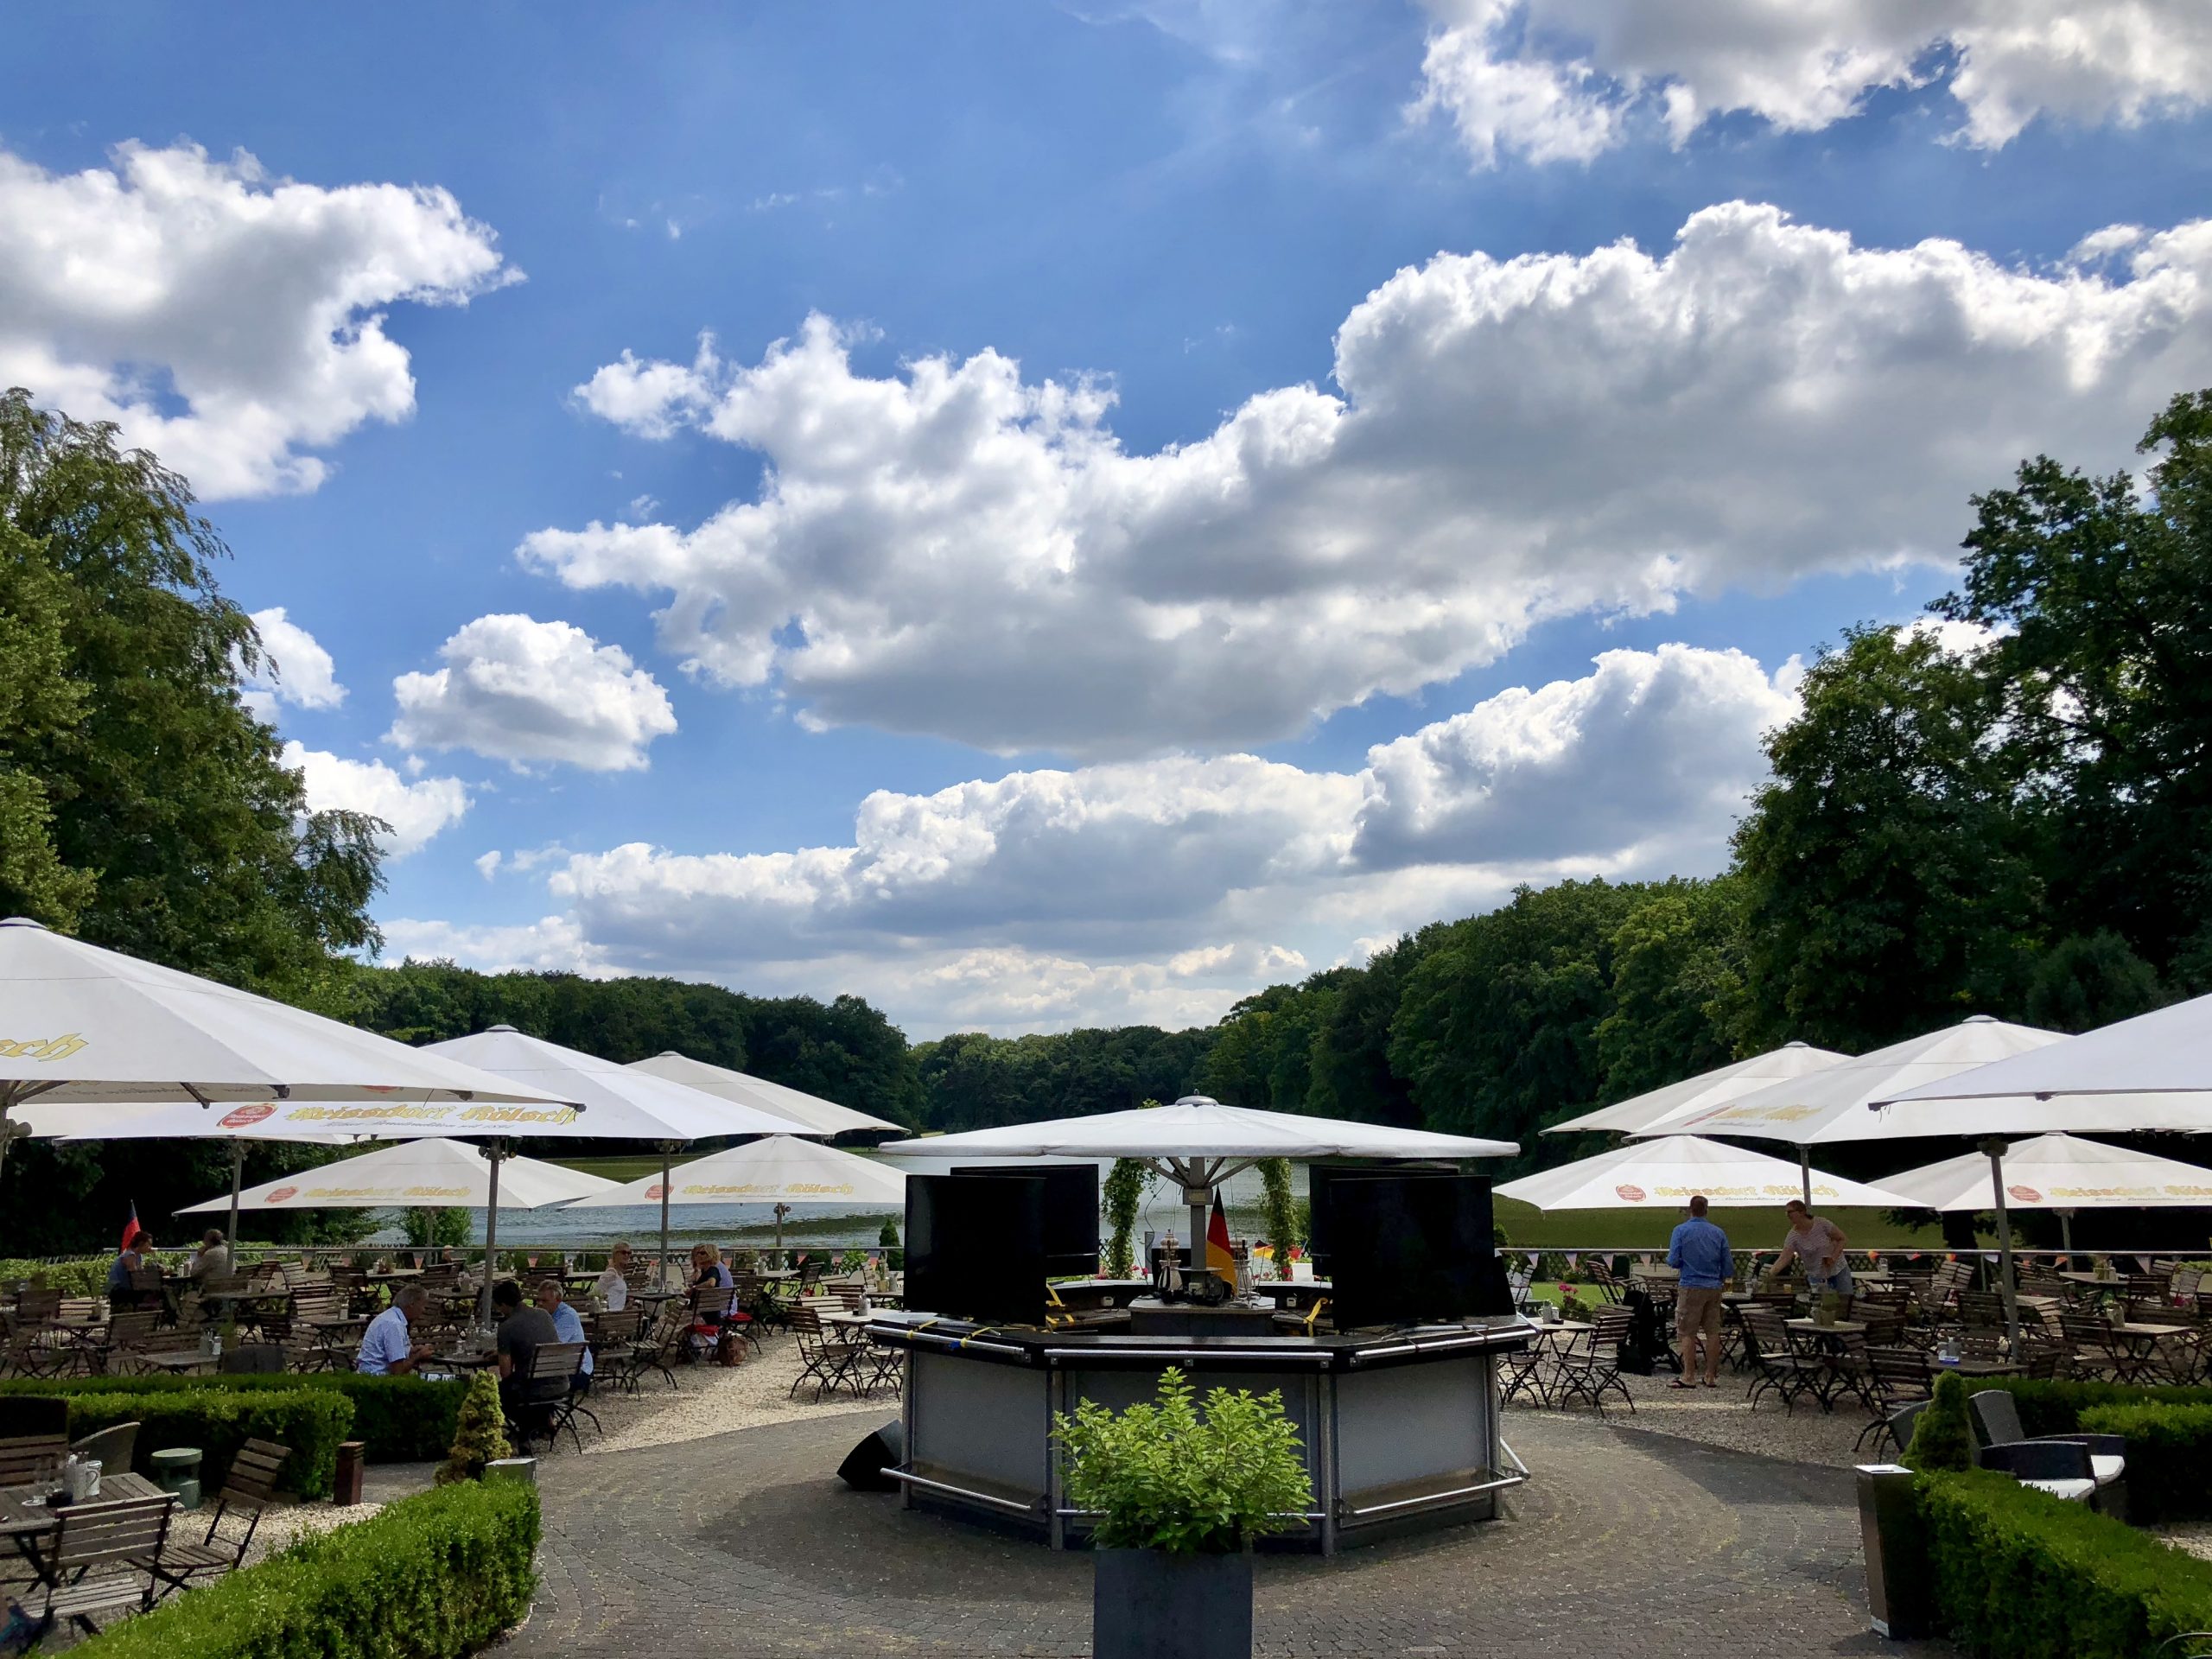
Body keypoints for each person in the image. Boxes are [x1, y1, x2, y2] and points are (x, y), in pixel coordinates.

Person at [1665, 1195, 1733, 1389]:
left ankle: (1689, 1375)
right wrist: (1722, 1276)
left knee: (1687, 1331)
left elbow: (1673, 1260)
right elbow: (1727, 1263)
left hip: (1691, 1285)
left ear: (1690, 1209)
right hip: (1713, 1286)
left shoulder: (1681, 1231)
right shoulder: (1718, 1233)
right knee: (1713, 1332)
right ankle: (1710, 1375)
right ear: (1707, 1210)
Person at [493, 1280, 566, 1429]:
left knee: (495, 1393)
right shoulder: (544, 1315)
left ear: (504, 1305)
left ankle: (527, 1431)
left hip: (532, 1389)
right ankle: (543, 1420)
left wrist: (503, 1354)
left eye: (499, 1307)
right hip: (560, 1383)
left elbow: (505, 1373)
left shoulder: (506, 1328)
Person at [1775, 1199, 1853, 1294]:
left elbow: (1842, 1239)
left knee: (1845, 1302)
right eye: (1786, 1213)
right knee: (1821, 1306)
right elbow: (1783, 1258)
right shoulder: (1793, 1236)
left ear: (1802, 1212)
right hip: (1817, 1276)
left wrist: (1833, 1257)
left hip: (1839, 1271)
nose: (1788, 1215)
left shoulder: (1822, 1224)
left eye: (1790, 1212)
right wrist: (1769, 1274)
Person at [358, 1284, 433, 1376]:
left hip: (367, 1372)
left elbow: (388, 1352)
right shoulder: (394, 1325)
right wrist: (417, 1357)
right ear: (412, 1305)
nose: (423, 1310)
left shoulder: (389, 1316)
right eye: (422, 1306)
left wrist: (409, 1351)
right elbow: (398, 1371)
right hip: (377, 1377)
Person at [536, 1277, 594, 1385]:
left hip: (577, 1369)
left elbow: (553, 1345)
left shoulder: (567, 1316)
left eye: (544, 1300)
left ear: (558, 1300)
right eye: (538, 1300)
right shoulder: (544, 1314)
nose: (540, 1304)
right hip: (560, 1365)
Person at [594, 1243, 632, 1313]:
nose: (627, 1255)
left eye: (629, 1253)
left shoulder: (619, 1274)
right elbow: (595, 1294)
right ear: (616, 1254)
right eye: (624, 1252)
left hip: (618, 1316)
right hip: (609, 1315)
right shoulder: (610, 1274)